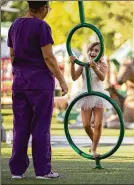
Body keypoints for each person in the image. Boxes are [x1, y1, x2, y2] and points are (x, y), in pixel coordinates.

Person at [7, 1, 68, 179]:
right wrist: (62, 81)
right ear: (43, 8)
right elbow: (48, 57)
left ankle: (16, 171)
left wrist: (21, 72)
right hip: (40, 84)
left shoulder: (15, 25)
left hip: (20, 82)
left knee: (20, 126)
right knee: (41, 126)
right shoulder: (42, 26)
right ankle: (43, 170)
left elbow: (12, 54)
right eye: (48, 9)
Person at [69, 42, 112, 158]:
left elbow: (102, 78)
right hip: (85, 95)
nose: (93, 52)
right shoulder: (83, 64)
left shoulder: (103, 65)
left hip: (98, 95)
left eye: (97, 51)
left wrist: (95, 68)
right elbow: (74, 77)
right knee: (86, 125)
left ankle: (93, 149)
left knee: (98, 124)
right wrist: (72, 64)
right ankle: (95, 142)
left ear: (101, 54)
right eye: (91, 50)